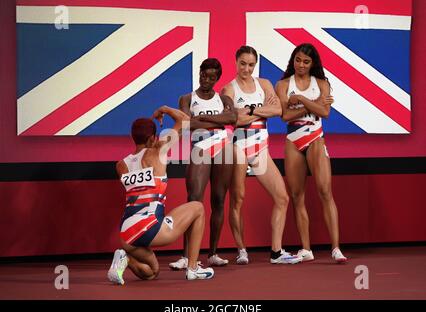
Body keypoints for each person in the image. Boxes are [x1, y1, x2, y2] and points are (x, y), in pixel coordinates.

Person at [107, 106, 215, 284]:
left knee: (151, 272)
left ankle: (125, 258)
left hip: (127, 234)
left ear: (133, 138)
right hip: (151, 228)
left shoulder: (120, 165)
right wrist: (164, 109)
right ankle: (193, 268)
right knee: (198, 207)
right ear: (153, 138)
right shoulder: (158, 151)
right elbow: (185, 120)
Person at [221, 45, 302, 265]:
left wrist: (248, 111)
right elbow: (233, 120)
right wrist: (258, 109)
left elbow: (278, 111)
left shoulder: (264, 84)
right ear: (236, 62)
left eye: (251, 65)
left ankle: (276, 252)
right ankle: (242, 250)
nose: (247, 69)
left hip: (259, 149)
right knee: (237, 200)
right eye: (243, 64)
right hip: (238, 148)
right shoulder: (228, 90)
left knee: (282, 197)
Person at [275, 43, 347, 263]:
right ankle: (306, 249)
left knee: (325, 191)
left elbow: (324, 112)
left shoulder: (322, 84)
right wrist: (312, 104)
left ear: (313, 63)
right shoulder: (283, 84)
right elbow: (285, 116)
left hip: (315, 138)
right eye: (298, 60)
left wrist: (303, 101)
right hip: (293, 140)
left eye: (306, 62)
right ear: (292, 60)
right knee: (297, 196)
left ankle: (336, 248)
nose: (301, 65)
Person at [169, 58, 237, 270]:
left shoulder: (224, 98)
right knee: (194, 200)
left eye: (211, 77)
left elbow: (233, 117)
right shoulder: (187, 99)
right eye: (203, 75)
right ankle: (186, 256)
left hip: (222, 148)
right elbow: (187, 123)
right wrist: (219, 120)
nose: (206, 80)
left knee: (218, 200)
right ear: (199, 73)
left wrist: (205, 120)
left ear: (217, 78)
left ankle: (213, 254)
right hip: (200, 148)